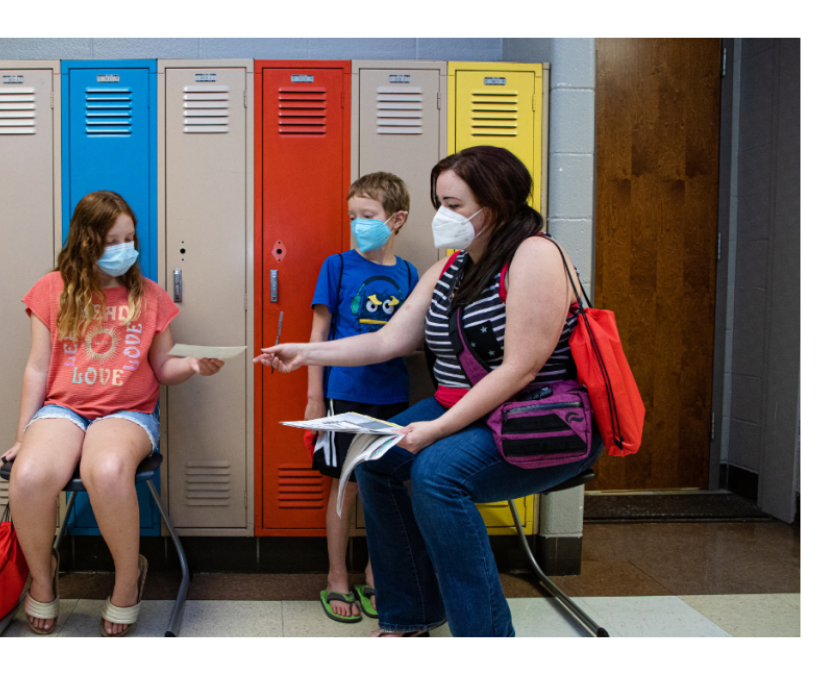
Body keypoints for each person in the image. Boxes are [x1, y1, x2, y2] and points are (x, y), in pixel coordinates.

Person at [256, 146, 602, 637]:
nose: (443, 216)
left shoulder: (537, 255)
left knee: (438, 475)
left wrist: (437, 429)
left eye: (455, 205)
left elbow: (520, 370)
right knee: (373, 455)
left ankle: (485, 642)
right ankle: (412, 613)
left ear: (496, 203)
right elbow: (386, 339)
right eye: (439, 203)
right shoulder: (449, 270)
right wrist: (304, 353)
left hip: (536, 419)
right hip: (466, 412)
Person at [3, 190, 224, 636]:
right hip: (64, 409)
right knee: (28, 475)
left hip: (128, 412)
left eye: (130, 238)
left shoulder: (150, 296)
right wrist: (24, 434)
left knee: (105, 470)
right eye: (113, 241)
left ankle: (128, 578)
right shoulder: (50, 291)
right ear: (86, 242)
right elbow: (38, 367)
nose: (126, 249)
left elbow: (162, 367)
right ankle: (43, 581)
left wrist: (192, 365)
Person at [306, 172, 418, 623]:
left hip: (394, 397)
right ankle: (337, 576)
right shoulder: (335, 267)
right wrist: (315, 397)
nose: (357, 224)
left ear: (396, 219)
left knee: (383, 489)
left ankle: (376, 572)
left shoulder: (410, 273)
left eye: (367, 216)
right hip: (344, 395)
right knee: (344, 488)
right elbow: (316, 337)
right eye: (353, 216)